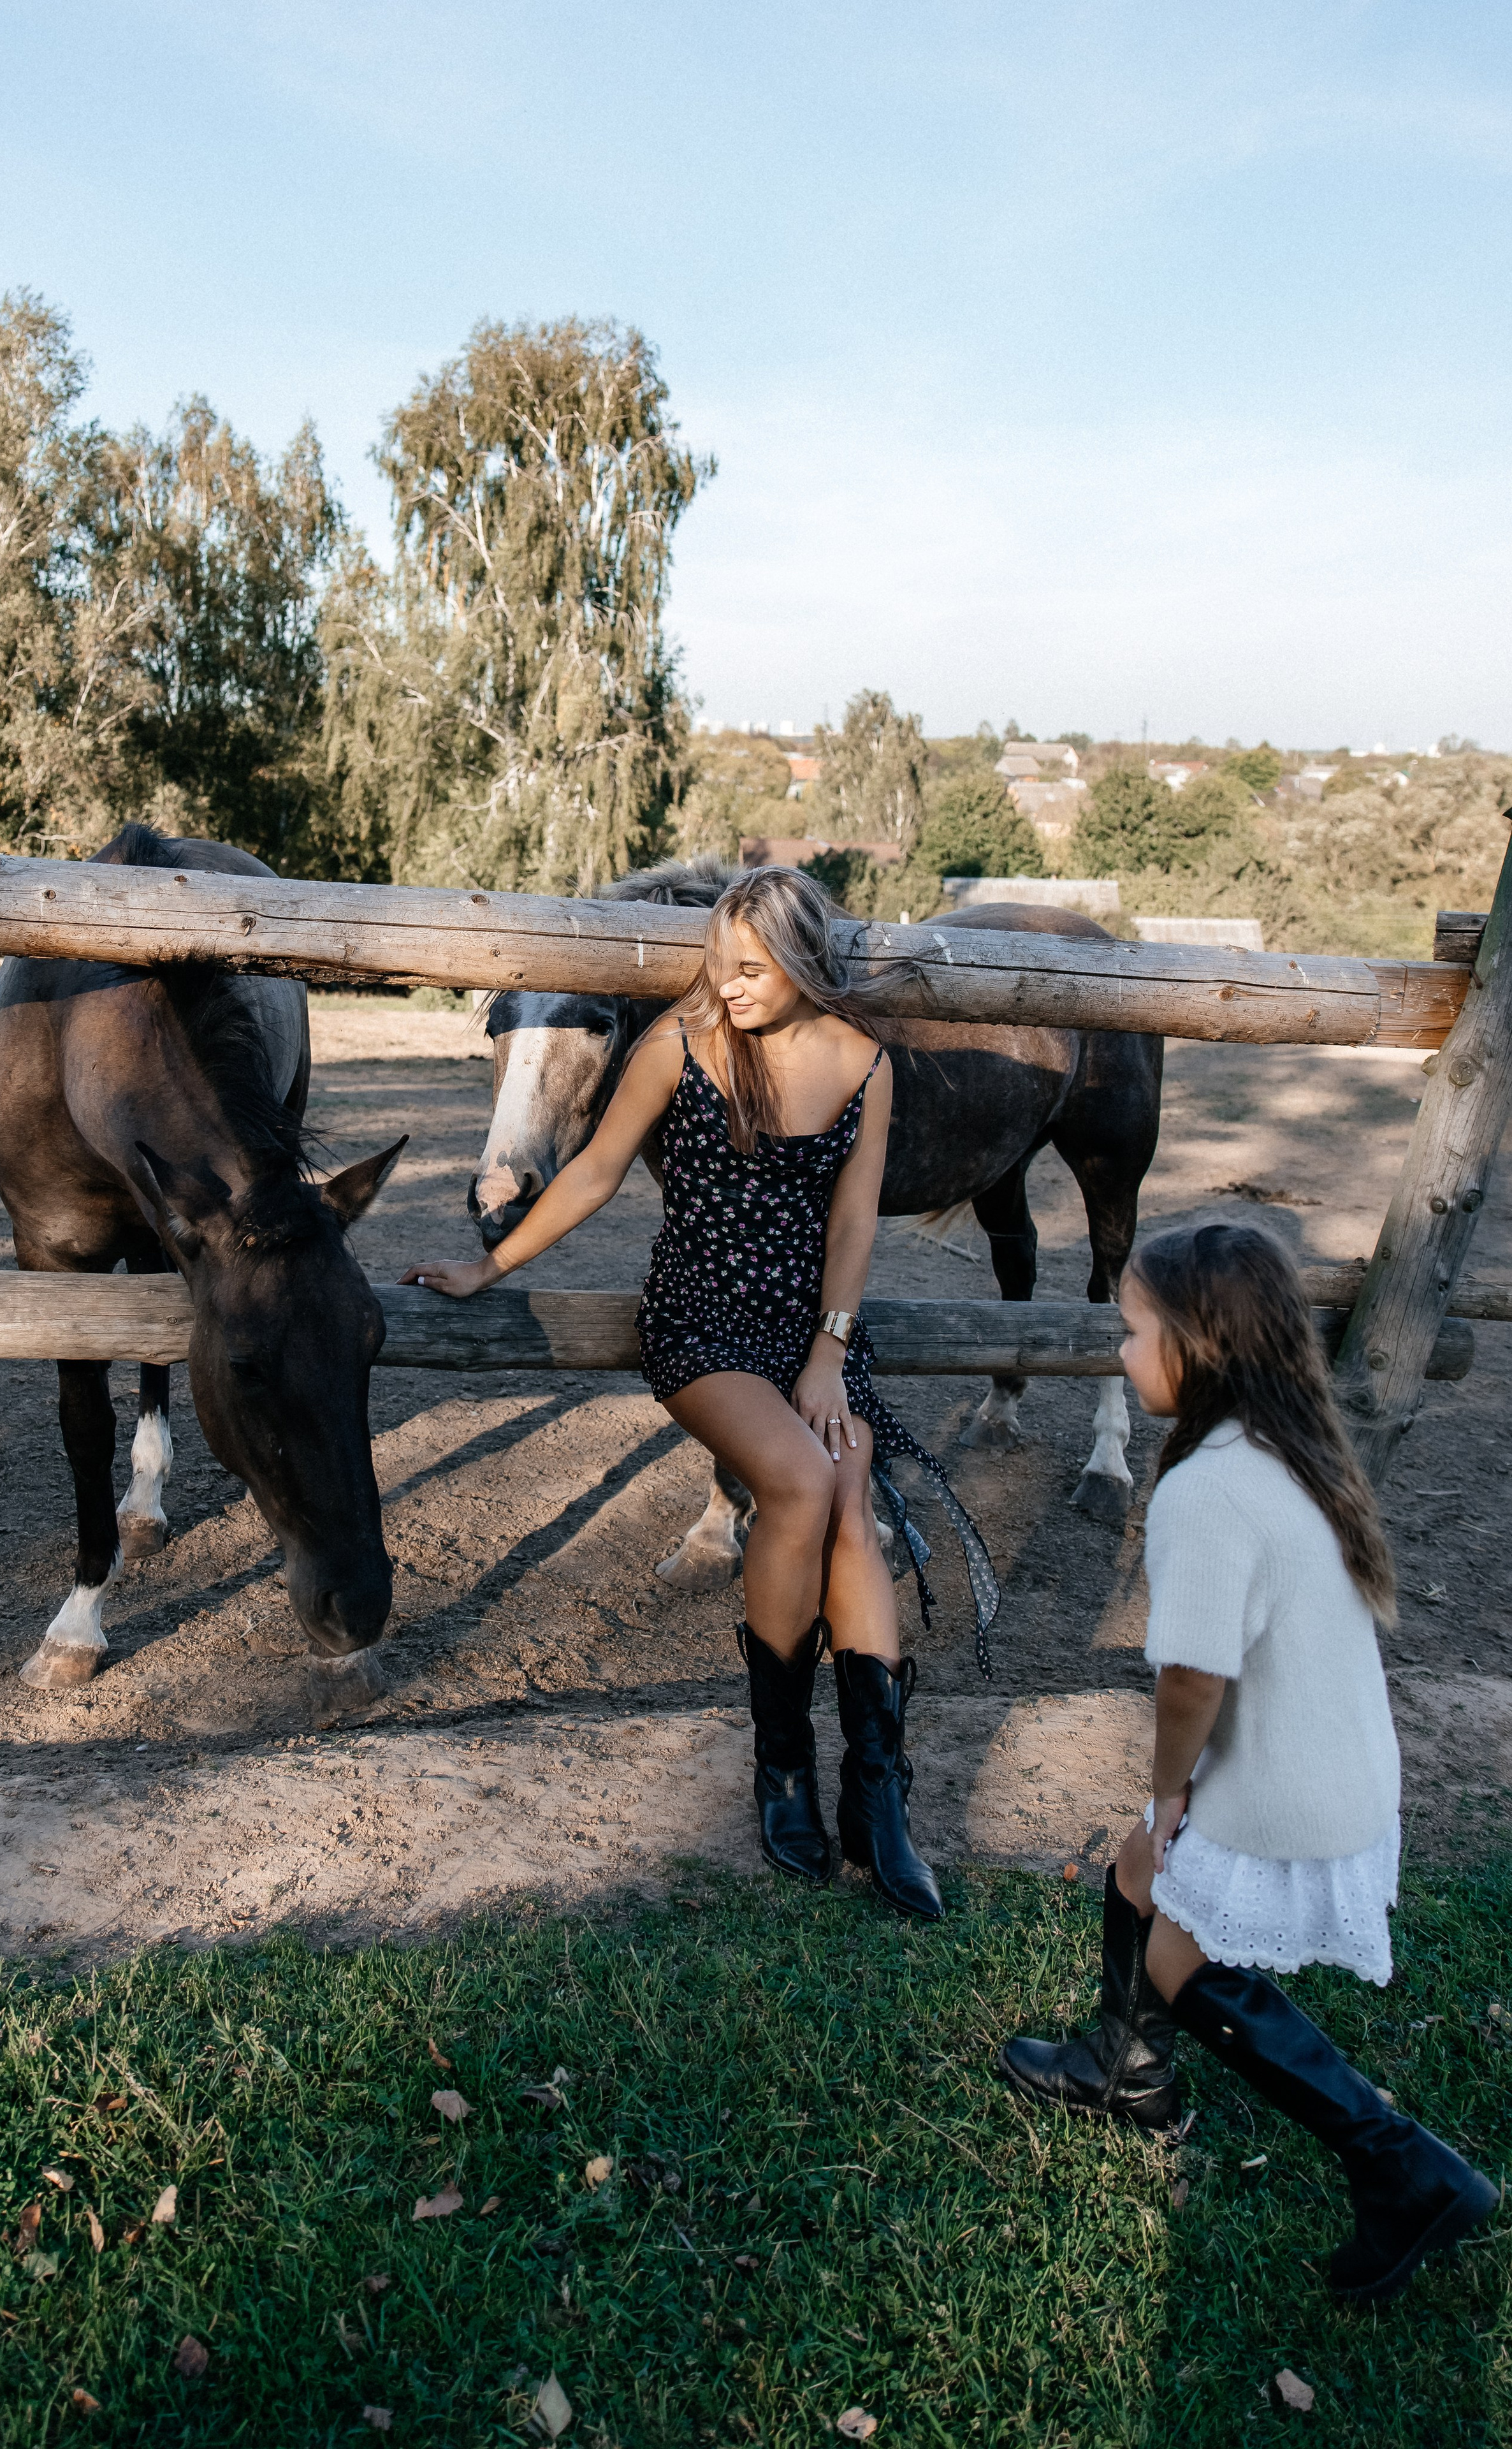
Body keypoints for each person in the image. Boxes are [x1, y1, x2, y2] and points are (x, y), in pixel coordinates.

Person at [402, 865, 997, 1920]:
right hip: (701, 1322)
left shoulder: (864, 1062)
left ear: (805, 963)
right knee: (808, 1485)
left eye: (752, 971)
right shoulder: (677, 1045)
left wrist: (829, 1351)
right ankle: (782, 1767)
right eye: (718, 968)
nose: (728, 987)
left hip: (811, 1334)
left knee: (853, 1498)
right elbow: (590, 1174)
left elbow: (856, 1224)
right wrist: (489, 1268)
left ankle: (879, 1794)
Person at [998, 1220, 1497, 2302]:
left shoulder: (1208, 1489)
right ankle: (1124, 2069)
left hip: (1288, 1784)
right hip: (1341, 1759)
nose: (1120, 1353)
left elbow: (1192, 1681)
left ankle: (1403, 2165)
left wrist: (1170, 1789)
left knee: (1179, 1949)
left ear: (1200, 1346)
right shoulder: (1288, 1443)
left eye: (1135, 1333)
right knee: (1137, 1870)